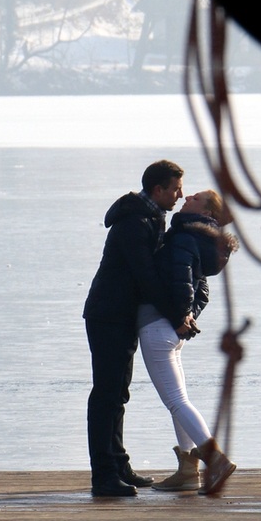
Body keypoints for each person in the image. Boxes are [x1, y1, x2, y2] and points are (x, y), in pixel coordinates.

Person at [83, 160, 187, 498]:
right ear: (158, 190)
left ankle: (118, 464)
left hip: (121, 315)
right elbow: (146, 277)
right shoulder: (134, 223)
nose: (180, 195)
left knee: (118, 393)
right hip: (108, 315)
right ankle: (104, 476)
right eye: (175, 189)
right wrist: (176, 315)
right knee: (107, 395)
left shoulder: (148, 218)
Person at [138, 189, 239, 496]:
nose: (187, 197)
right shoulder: (198, 239)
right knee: (177, 399)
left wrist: (182, 313)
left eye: (195, 198)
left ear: (207, 213)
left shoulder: (182, 237)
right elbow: (202, 291)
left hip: (157, 326)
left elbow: (182, 279)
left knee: (176, 401)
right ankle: (187, 470)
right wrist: (188, 316)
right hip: (170, 329)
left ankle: (213, 459)